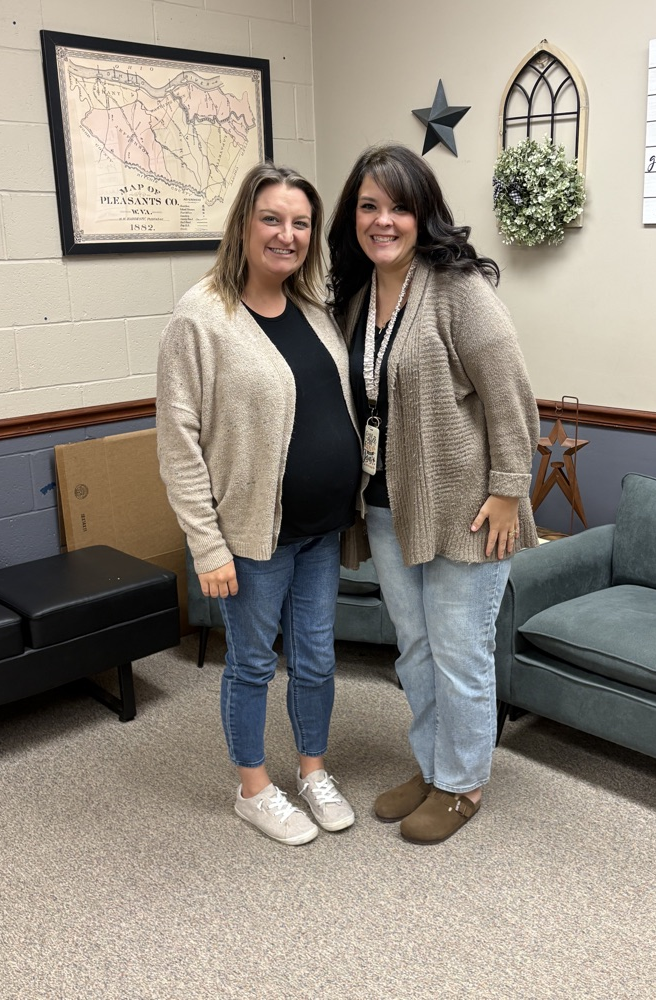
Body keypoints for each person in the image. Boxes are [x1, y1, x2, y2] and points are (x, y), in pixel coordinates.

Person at [327, 143, 540, 845]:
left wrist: (510, 490)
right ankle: (432, 766)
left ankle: (464, 784)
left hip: (468, 509)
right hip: (388, 507)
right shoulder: (359, 297)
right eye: (368, 206)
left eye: (398, 206)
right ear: (352, 216)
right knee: (415, 651)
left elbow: (510, 396)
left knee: (459, 650)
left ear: (424, 214)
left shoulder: (458, 290)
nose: (382, 220)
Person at [157, 163, 362, 846]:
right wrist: (207, 546)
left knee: (316, 659)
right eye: (272, 219)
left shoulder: (312, 309)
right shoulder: (201, 317)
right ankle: (252, 788)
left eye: (301, 222)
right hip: (253, 538)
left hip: (320, 532)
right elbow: (178, 444)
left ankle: (312, 771)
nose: (288, 234)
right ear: (243, 225)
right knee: (250, 663)